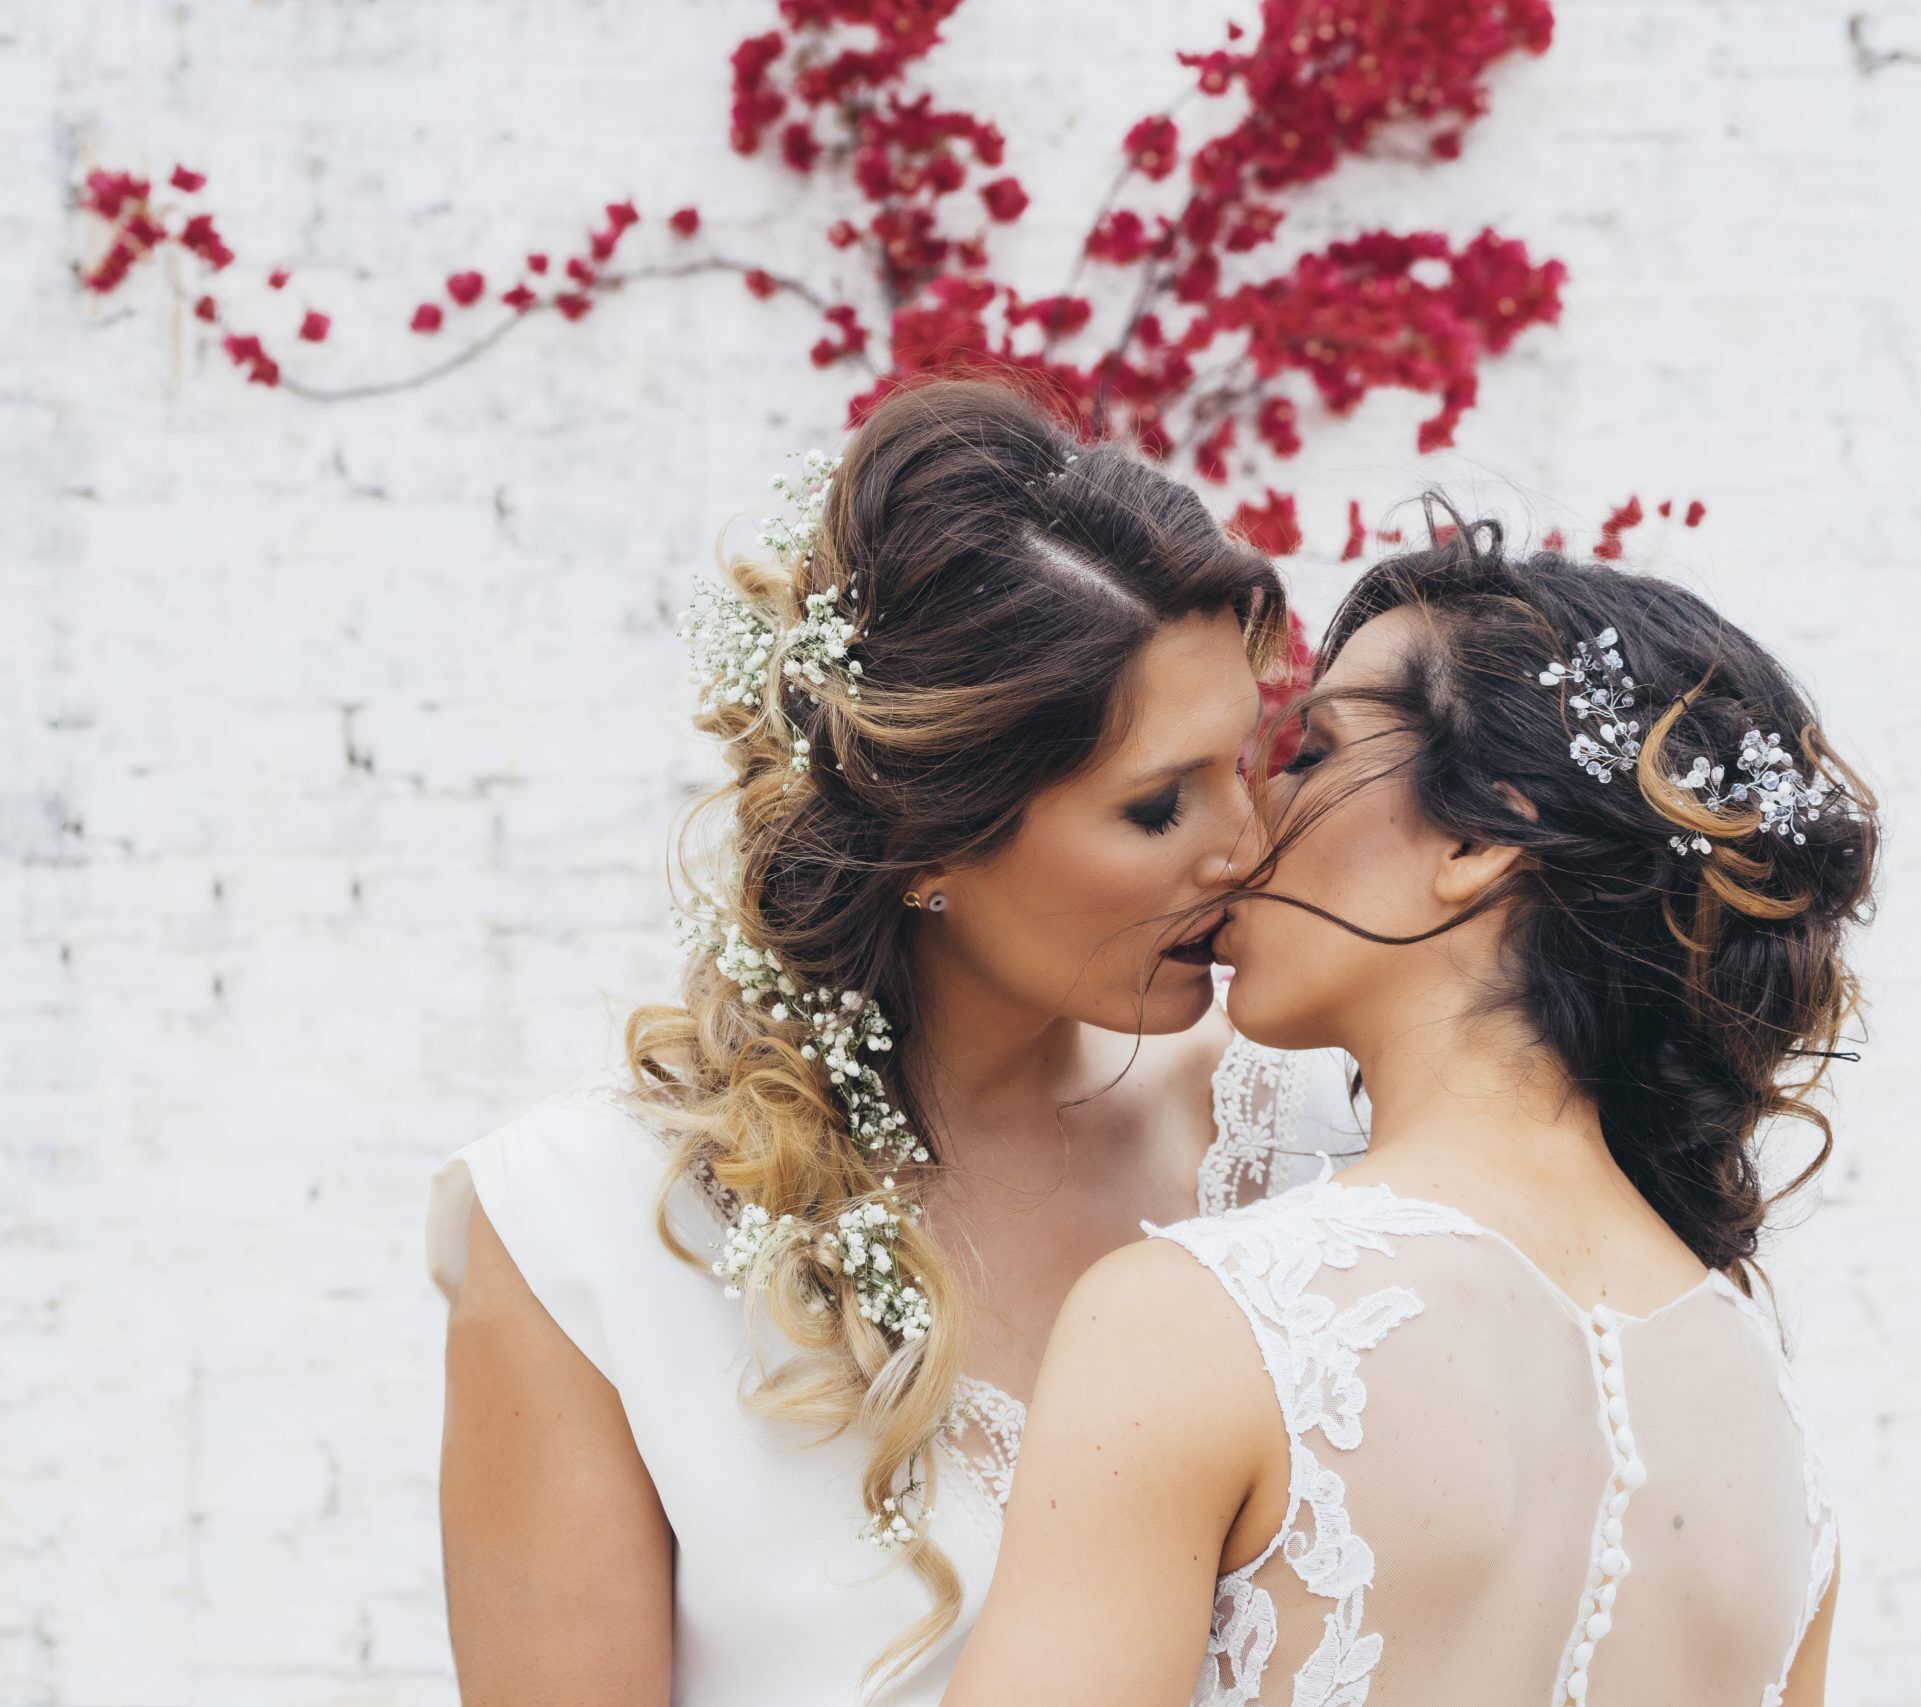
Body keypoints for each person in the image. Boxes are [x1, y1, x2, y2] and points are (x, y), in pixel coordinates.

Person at [427, 381, 1363, 1706]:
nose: (1249, 846)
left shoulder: (1305, 1145)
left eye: (1249, 760)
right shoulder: (581, 1235)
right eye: (1159, 804)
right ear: (928, 841)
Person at [947, 513, 1878, 1706]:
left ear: (1482, 836)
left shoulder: (1204, 1322)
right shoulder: (1770, 1428)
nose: (1248, 827)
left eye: (1309, 753)